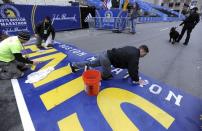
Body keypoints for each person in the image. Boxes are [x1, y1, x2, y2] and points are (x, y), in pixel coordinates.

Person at [70, 45, 149, 85]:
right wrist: (137, 80)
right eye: (144, 55)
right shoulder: (135, 56)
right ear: (142, 51)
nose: (143, 56)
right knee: (106, 76)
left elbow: (127, 61)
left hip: (104, 54)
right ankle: (90, 73)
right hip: (106, 59)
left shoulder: (132, 49)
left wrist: (130, 70)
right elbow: (133, 68)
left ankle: (74, 65)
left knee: (91, 63)